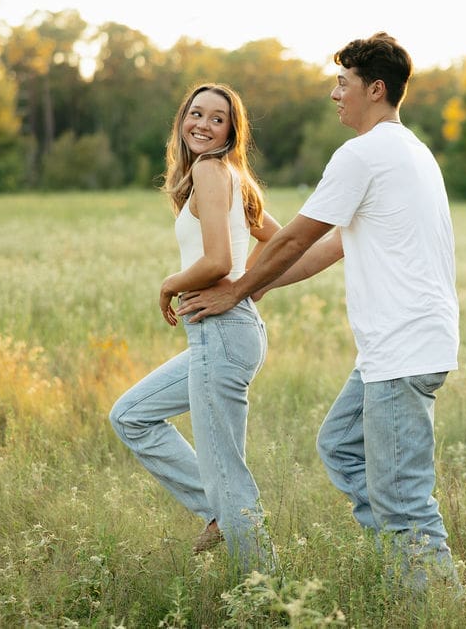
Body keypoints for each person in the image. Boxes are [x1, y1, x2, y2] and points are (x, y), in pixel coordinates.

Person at [177, 32, 461, 592]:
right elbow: (325, 249)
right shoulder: (411, 151)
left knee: (404, 499)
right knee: (340, 444)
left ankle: (433, 601)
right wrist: (255, 287)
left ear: (374, 89)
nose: (335, 94)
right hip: (398, 347)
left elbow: (292, 239)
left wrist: (235, 292)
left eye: (343, 83)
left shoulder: (364, 153)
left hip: (402, 350)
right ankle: (402, 567)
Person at [109, 83, 281, 576]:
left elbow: (217, 260)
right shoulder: (226, 175)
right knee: (131, 416)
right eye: (195, 114)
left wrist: (171, 284)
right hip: (227, 332)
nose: (203, 125)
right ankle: (217, 514)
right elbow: (275, 238)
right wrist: (251, 284)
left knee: (228, 470)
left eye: (217, 119)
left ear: (231, 130)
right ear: (182, 119)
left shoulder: (211, 168)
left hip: (222, 330)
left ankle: (264, 594)